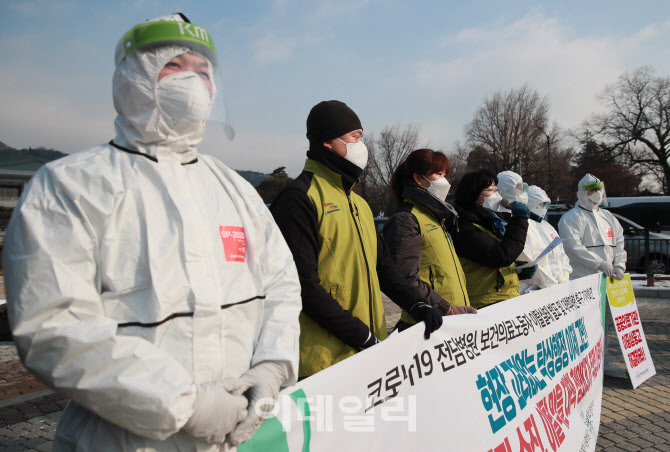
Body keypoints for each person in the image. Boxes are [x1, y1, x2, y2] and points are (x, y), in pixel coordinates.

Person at [2, 14, 301, 451]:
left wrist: (272, 369)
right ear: (135, 78)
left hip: (235, 436)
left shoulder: (233, 189)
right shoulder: (69, 186)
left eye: (203, 71)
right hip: (122, 441)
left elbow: (280, 283)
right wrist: (186, 405)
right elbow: (54, 325)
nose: (194, 82)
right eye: (175, 67)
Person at [271, 100, 469, 379]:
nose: (361, 146)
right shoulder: (299, 198)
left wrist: (418, 304)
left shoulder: (358, 204)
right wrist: (361, 336)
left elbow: (384, 267)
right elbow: (303, 286)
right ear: (328, 141)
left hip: (367, 354)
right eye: (356, 137)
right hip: (323, 363)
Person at [382, 149, 476, 332]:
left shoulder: (436, 218)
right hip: (428, 323)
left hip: (453, 321)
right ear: (418, 179)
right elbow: (404, 278)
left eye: (445, 175)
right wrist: (444, 308)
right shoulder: (407, 219)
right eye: (438, 174)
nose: (444, 181)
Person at [558, 173, 627, 378]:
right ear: (581, 193)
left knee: (602, 324)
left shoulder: (609, 217)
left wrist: (620, 264)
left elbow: (620, 243)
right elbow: (573, 247)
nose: (596, 194)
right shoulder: (571, 218)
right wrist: (598, 263)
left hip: (608, 281)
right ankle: (581, 364)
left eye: (598, 189)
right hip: (582, 281)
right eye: (591, 190)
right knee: (582, 323)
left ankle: (602, 362)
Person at [451, 169, 530, 308]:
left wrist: (518, 270)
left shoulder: (488, 220)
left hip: (502, 296)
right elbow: (501, 256)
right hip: (486, 301)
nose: (496, 195)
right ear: (473, 194)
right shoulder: (465, 227)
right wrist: (520, 221)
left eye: (496, 190)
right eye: (490, 190)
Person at [524, 185, 572, 289]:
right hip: (537, 287)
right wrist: (550, 282)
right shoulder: (525, 227)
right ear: (530, 204)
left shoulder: (548, 227)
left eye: (546, 205)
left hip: (558, 284)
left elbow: (561, 253)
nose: (544, 208)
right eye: (541, 204)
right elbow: (531, 261)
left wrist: (565, 273)